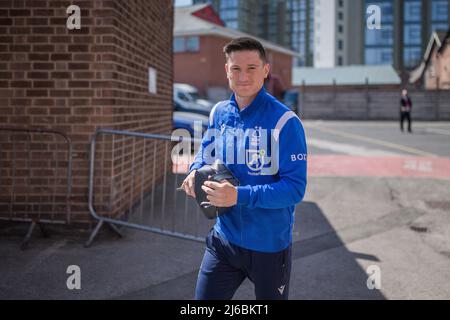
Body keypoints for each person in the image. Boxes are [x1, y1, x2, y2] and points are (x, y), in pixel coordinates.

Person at [180, 37, 307, 300]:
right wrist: (194, 170)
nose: (243, 76)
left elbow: (294, 189)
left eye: (251, 68)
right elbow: (206, 151)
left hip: (269, 247)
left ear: (265, 70)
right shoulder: (218, 113)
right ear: (227, 71)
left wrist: (240, 196)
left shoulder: (285, 121)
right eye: (236, 68)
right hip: (223, 241)